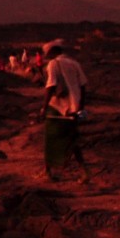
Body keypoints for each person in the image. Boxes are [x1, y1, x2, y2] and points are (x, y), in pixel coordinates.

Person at [40, 39, 89, 181]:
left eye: (48, 53)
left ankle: (48, 171)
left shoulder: (54, 64)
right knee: (72, 140)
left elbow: (51, 87)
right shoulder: (74, 63)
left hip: (58, 107)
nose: (47, 55)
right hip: (74, 107)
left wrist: (44, 107)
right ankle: (84, 171)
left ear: (53, 51)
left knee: (50, 139)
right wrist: (80, 106)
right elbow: (83, 86)